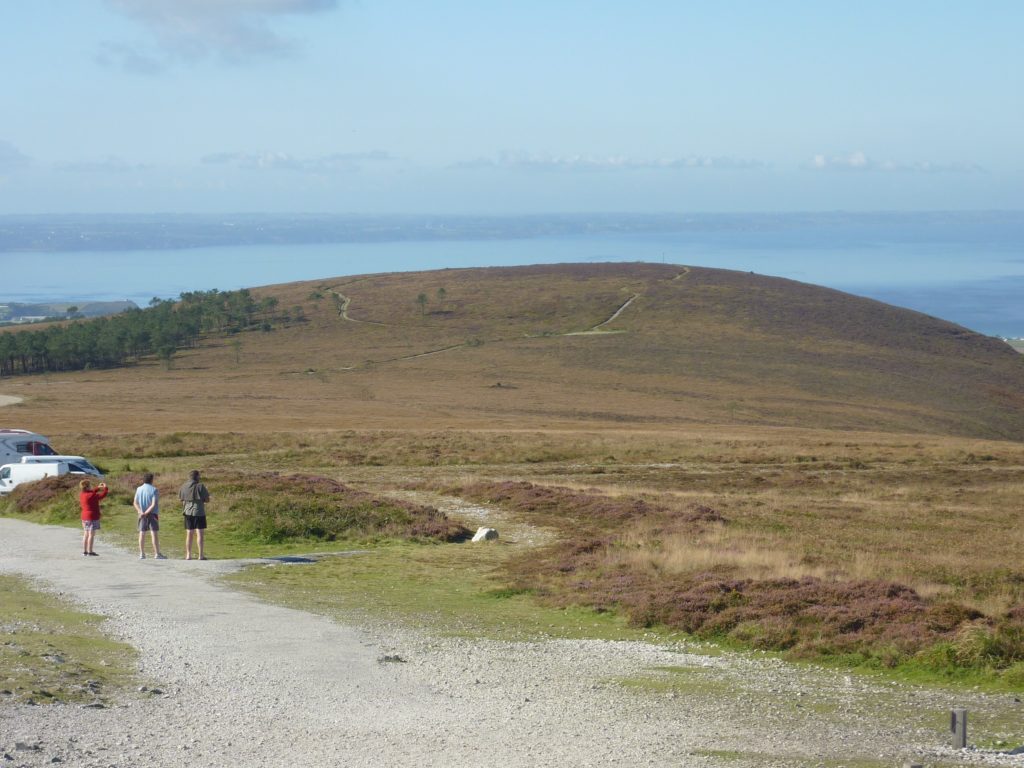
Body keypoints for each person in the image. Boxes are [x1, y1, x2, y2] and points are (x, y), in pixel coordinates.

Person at [179, 469, 211, 560]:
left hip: (187, 512)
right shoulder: (200, 486)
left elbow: (181, 499)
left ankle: (188, 555)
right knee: (199, 533)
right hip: (199, 511)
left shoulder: (183, 486)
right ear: (197, 476)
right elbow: (207, 499)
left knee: (189, 533)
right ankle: (200, 555)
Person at [133, 472, 166, 560]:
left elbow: (135, 502)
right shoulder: (154, 489)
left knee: (142, 533)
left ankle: (142, 553)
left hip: (141, 513)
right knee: (154, 533)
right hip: (152, 513)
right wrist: (147, 512)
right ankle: (157, 553)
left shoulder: (139, 489)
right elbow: (153, 504)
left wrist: (140, 511)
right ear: (151, 480)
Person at [78, 479, 108, 557]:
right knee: (91, 534)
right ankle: (90, 551)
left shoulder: (82, 494)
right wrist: (105, 488)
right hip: (92, 516)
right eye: (90, 485)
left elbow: (91, 492)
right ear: (87, 487)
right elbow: (102, 495)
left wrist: (98, 488)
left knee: (86, 534)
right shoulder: (92, 495)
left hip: (84, 516)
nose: (91, 486)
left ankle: (84, 551)